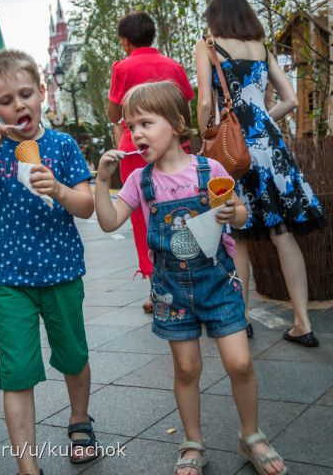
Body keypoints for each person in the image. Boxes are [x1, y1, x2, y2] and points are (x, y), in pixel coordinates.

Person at [95, 81, 287, 475]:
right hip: (171, 291)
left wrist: (232, 215)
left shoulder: (209, 168)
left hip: (217, 282)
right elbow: (108, 220)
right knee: (186, 368)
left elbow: (240, 213)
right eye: (132, 127)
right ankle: (192, 441)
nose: (137, 134)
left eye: (146, 123)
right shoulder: (139, 181)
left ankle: (251, 436)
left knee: (240, 362)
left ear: (177, 124)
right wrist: (101, 181)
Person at [0, 49, 98, 475]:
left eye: (26, 94)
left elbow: (87, 206)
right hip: (11, 281)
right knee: (16, 371)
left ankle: (79, 419)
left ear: (42, 94)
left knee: (73, 354)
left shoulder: (62, 145)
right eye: (6, 100)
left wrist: (59, 190)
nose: (19, 105)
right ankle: (27, 466)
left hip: (62, 272)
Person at [195, 0, 324, 347]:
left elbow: (206, 99)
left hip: (233, 149)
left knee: (238, 234)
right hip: (269, 143)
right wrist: (260, 121)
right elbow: (291, 100)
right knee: (282, 231)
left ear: (215, 16)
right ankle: (302, 323)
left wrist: (204, 136)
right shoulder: (262, 48)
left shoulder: (208, 46)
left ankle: (240, 317)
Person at [108, 11, 195, 311]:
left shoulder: (122, 67)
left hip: (134, 153)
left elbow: (113, 113)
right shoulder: (173, 65)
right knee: (189, 209)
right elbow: (186, 102)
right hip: (175, 146)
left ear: (125, 41)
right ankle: (194, 278)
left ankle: (155, 287)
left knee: (141, 216)